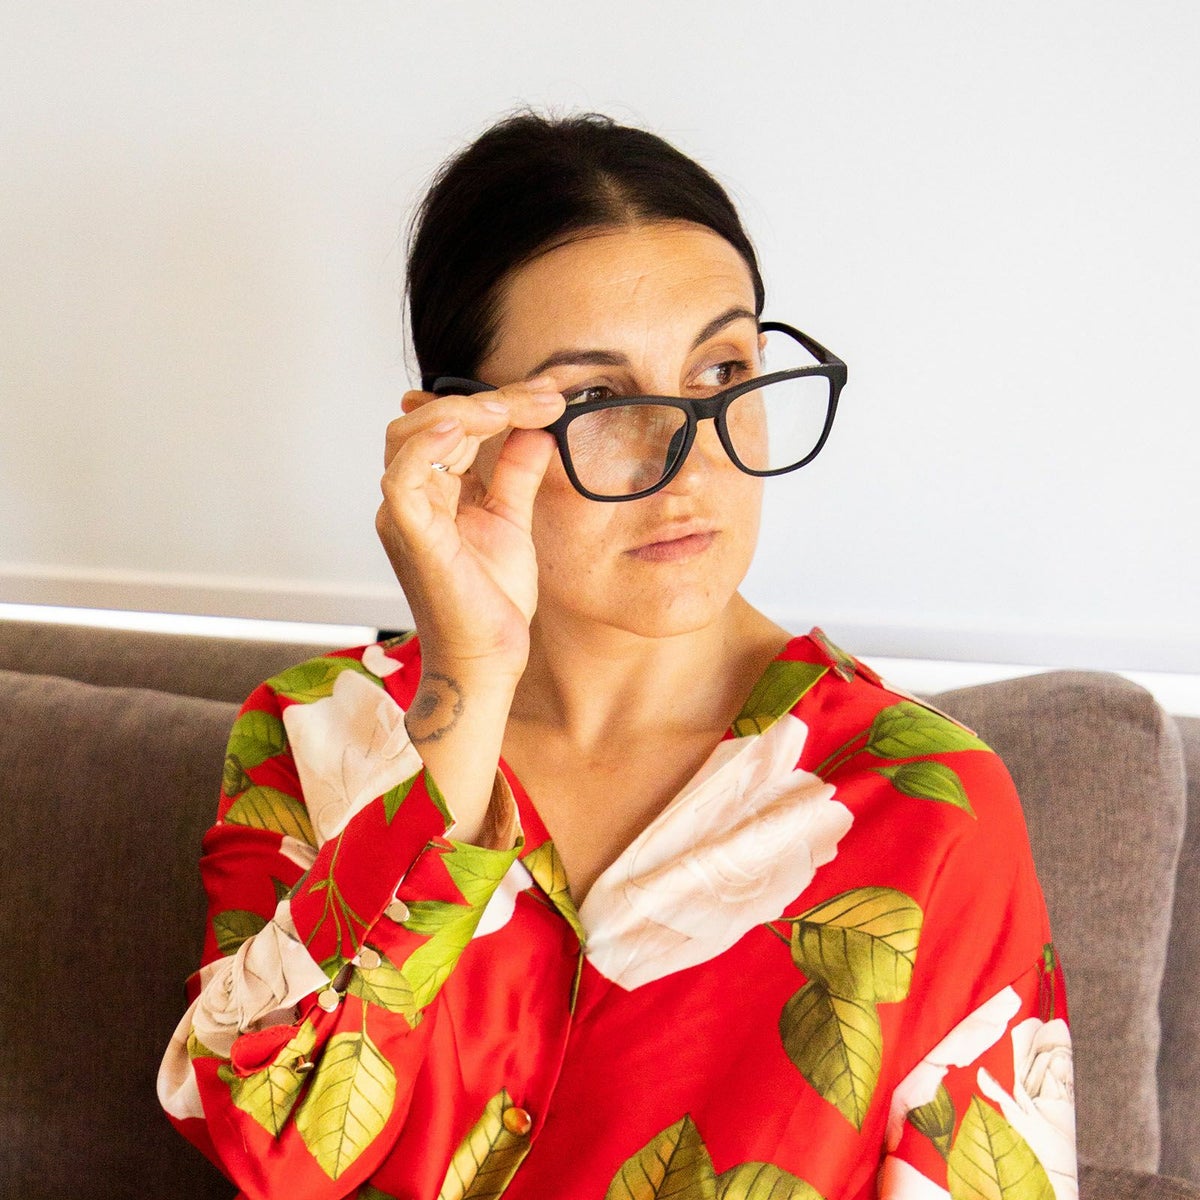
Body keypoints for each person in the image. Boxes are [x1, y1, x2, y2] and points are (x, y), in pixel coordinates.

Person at [159, 111, 1077, 1200]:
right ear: (458, 434)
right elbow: (269, 1150)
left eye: (722, 367)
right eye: (597, 399)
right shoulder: (314, 729)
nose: (685, 457)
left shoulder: (924, 802)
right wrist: (467, 686)